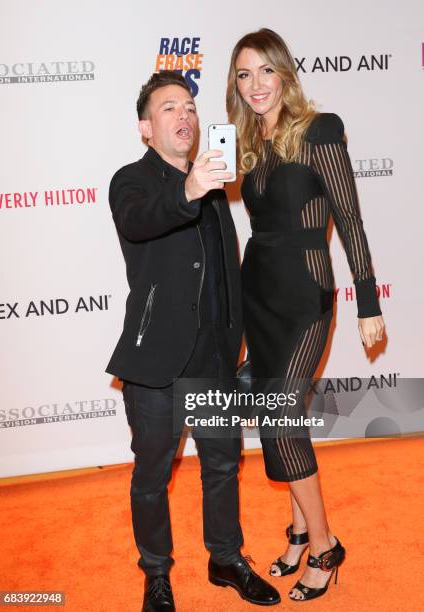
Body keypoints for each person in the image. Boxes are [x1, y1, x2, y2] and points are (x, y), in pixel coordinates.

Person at [106, 71, 280, 611]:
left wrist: (237, 342)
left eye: (189, 107)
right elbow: (142, 221)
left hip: (213, 359)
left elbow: (226, 273)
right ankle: (156, 573)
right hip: (156, 362)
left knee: (223, 464)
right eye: (168, 109)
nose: (183, 116)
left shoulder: (213, 189)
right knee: (152, 476)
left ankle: (225, 558)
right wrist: (188, 188)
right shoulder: (131, 182)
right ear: (145, 127)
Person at [226, 29, 385, 602]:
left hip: (305, 298)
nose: (256, 85)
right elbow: (219, 207)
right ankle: (297, 529)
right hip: (258, 296)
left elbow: (351, 218)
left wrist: (368, 302)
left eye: (264, 71)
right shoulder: (246, 143)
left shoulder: (320, 130)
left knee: (284, 419)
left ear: (284, 73)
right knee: (274, 418)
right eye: (243, 75)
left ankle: (324, 546)